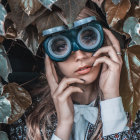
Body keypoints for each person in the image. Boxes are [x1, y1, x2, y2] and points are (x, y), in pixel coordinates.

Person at [1, 5, 139, 140]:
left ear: (104, 41)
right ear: (50, 58)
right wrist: (64, 124)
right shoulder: (27, 116)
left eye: (89, 37)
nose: (79, 55)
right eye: (60, 46)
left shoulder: (135, 109)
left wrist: (111, 98)